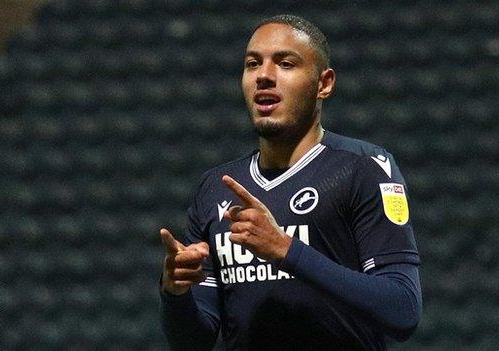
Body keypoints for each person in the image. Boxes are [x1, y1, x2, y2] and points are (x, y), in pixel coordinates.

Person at [159, 14, 422, 351]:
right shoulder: (216, 187)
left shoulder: (363, 168)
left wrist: (287, 250)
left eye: (285, 63)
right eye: (253, 64)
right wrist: (175, 293)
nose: (264, 76)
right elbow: (193, 342)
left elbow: (402, 309)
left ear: (323, 84)